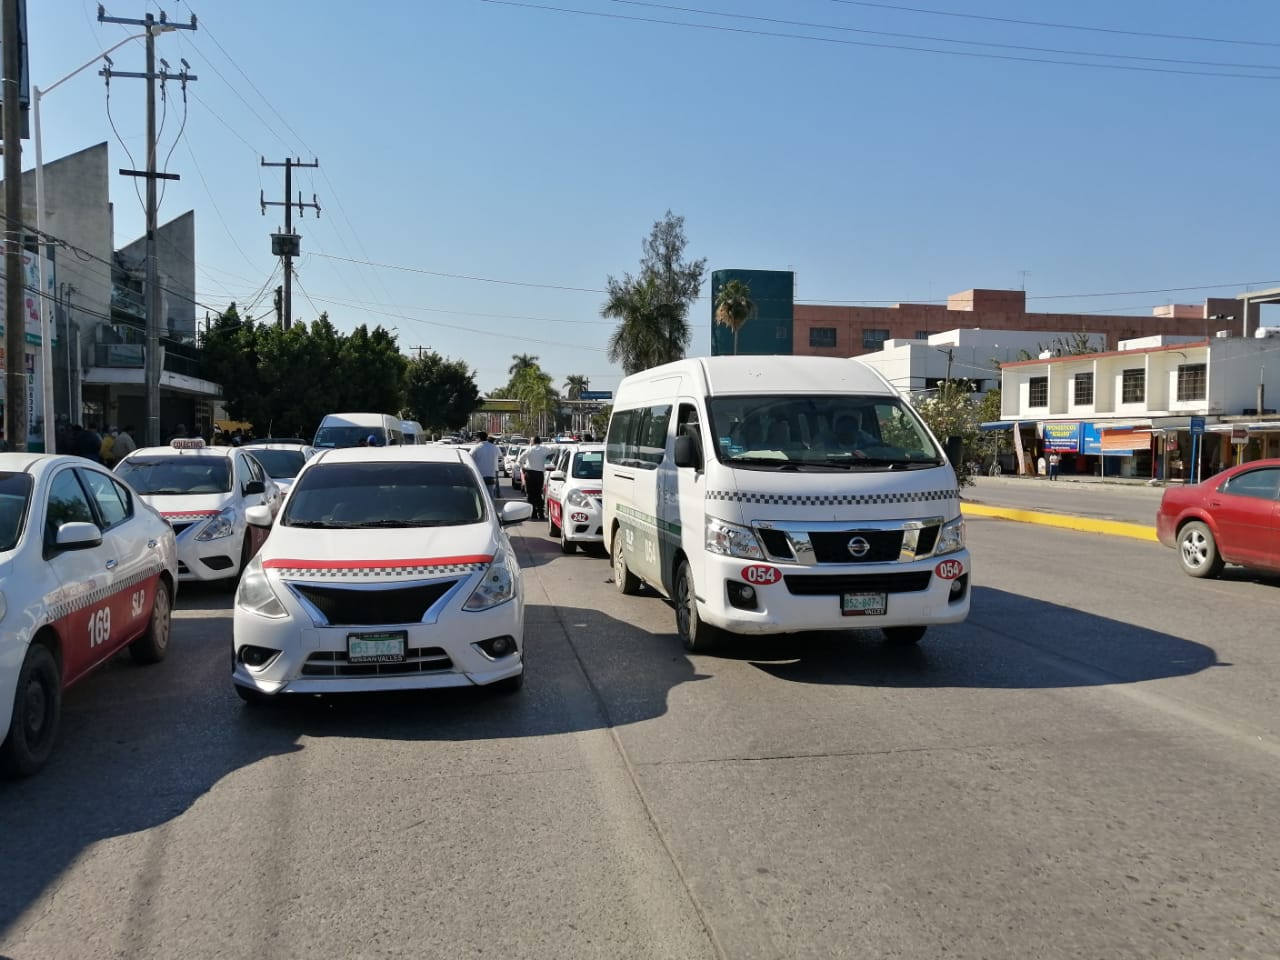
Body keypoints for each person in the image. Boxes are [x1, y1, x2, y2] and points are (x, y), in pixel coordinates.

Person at [518, 436, 552, 520]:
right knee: (538, 494)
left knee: (530, 494)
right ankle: (541, 513)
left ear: (533, 442)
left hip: (530, 474)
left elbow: (520, 459)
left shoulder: (530, 449)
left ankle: (533, 513)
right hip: (539, 474)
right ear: (540, 441)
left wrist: (524, 467)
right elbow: (553, 450)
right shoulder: (544, 449)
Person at [468, 431, 502, 499]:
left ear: (479, 438)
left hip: (479, 476)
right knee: (490, 497)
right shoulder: (493, 447)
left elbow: (468, 458)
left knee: (479, 497)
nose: (475, 440)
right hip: (491, 475)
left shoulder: (476, 448)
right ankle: (490, 509)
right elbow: (500, 455)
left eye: (476, 438)